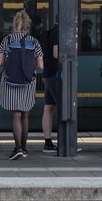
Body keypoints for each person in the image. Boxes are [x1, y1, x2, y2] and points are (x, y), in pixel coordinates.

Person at [0, 9, 43, 160]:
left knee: (15, 115)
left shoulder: (7, 40)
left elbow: (0, 62)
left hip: (10, 81)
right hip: (28, 82)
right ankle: (24, 148)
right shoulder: (34, 42)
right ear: (27, 25)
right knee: (25, 114)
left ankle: (17, 147)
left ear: (14, 24)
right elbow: (40, 65)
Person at [41, 22, 60, 153]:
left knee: (49, 108)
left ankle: (48, 142)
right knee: (64, 106)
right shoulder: (59, 32)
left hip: (47, 72)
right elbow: (56, 53)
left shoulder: (51, 31)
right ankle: (66, 141)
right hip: (55, 73)